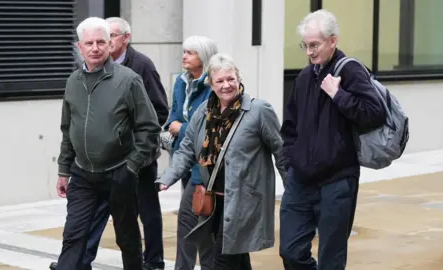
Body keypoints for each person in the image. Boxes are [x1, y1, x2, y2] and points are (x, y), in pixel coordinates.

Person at [51, 17, 169, 270]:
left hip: (120, 172)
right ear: (79, 47)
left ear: (109, 45)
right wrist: (64, 169)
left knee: (126, 237)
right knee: (73, 235)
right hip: (83, 175)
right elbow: (67, 129)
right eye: (89, 43)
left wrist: (132, 167)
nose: (95, 48)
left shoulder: (129, 80)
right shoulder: (73, 82)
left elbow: (149, 127)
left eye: (101, 42)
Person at [157, 53, 287, 269]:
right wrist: (169, 176)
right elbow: (188, 148)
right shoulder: (204, 111)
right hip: (214, 203)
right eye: (220, 81)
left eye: (231, 79)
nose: (226, 85)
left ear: (239, 79)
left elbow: (281, 151)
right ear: (211, 84)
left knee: (223, 260)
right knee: (237, 257)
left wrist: (293, 188)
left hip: (243, 203)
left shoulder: (258, 111)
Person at [279, 9, 386, 270]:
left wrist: (339, 96)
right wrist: (290, 163)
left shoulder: (350, 71)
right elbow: (290, 127)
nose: (309, 52)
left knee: (331, 258)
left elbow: (374, 114)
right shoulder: (305, 77)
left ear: (333, 41)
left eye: (314, 45)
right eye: (305, 45)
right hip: (301, 181)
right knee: (290, 251)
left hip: (337, 182)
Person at [162, 35, 218, 270]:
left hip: (204, 167)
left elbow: (208, 128)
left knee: (198, 221)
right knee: (192, 221)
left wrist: (181, 129)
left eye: (191, 53)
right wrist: (173, 128)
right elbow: (173, 115)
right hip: (184, 159)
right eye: (184, 51)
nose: (184, 56)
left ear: (203, 57)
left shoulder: (213, 86)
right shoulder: (181, 82)